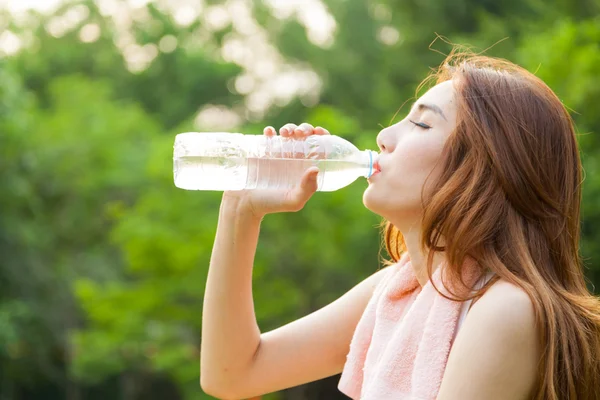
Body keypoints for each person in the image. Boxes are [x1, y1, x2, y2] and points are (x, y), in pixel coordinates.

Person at [199, 52, 600, 400]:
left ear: (487, 167)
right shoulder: (399, 292)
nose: (384, 137)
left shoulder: (505, 309)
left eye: (422, 125)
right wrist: (240, 209)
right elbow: (232, 374)